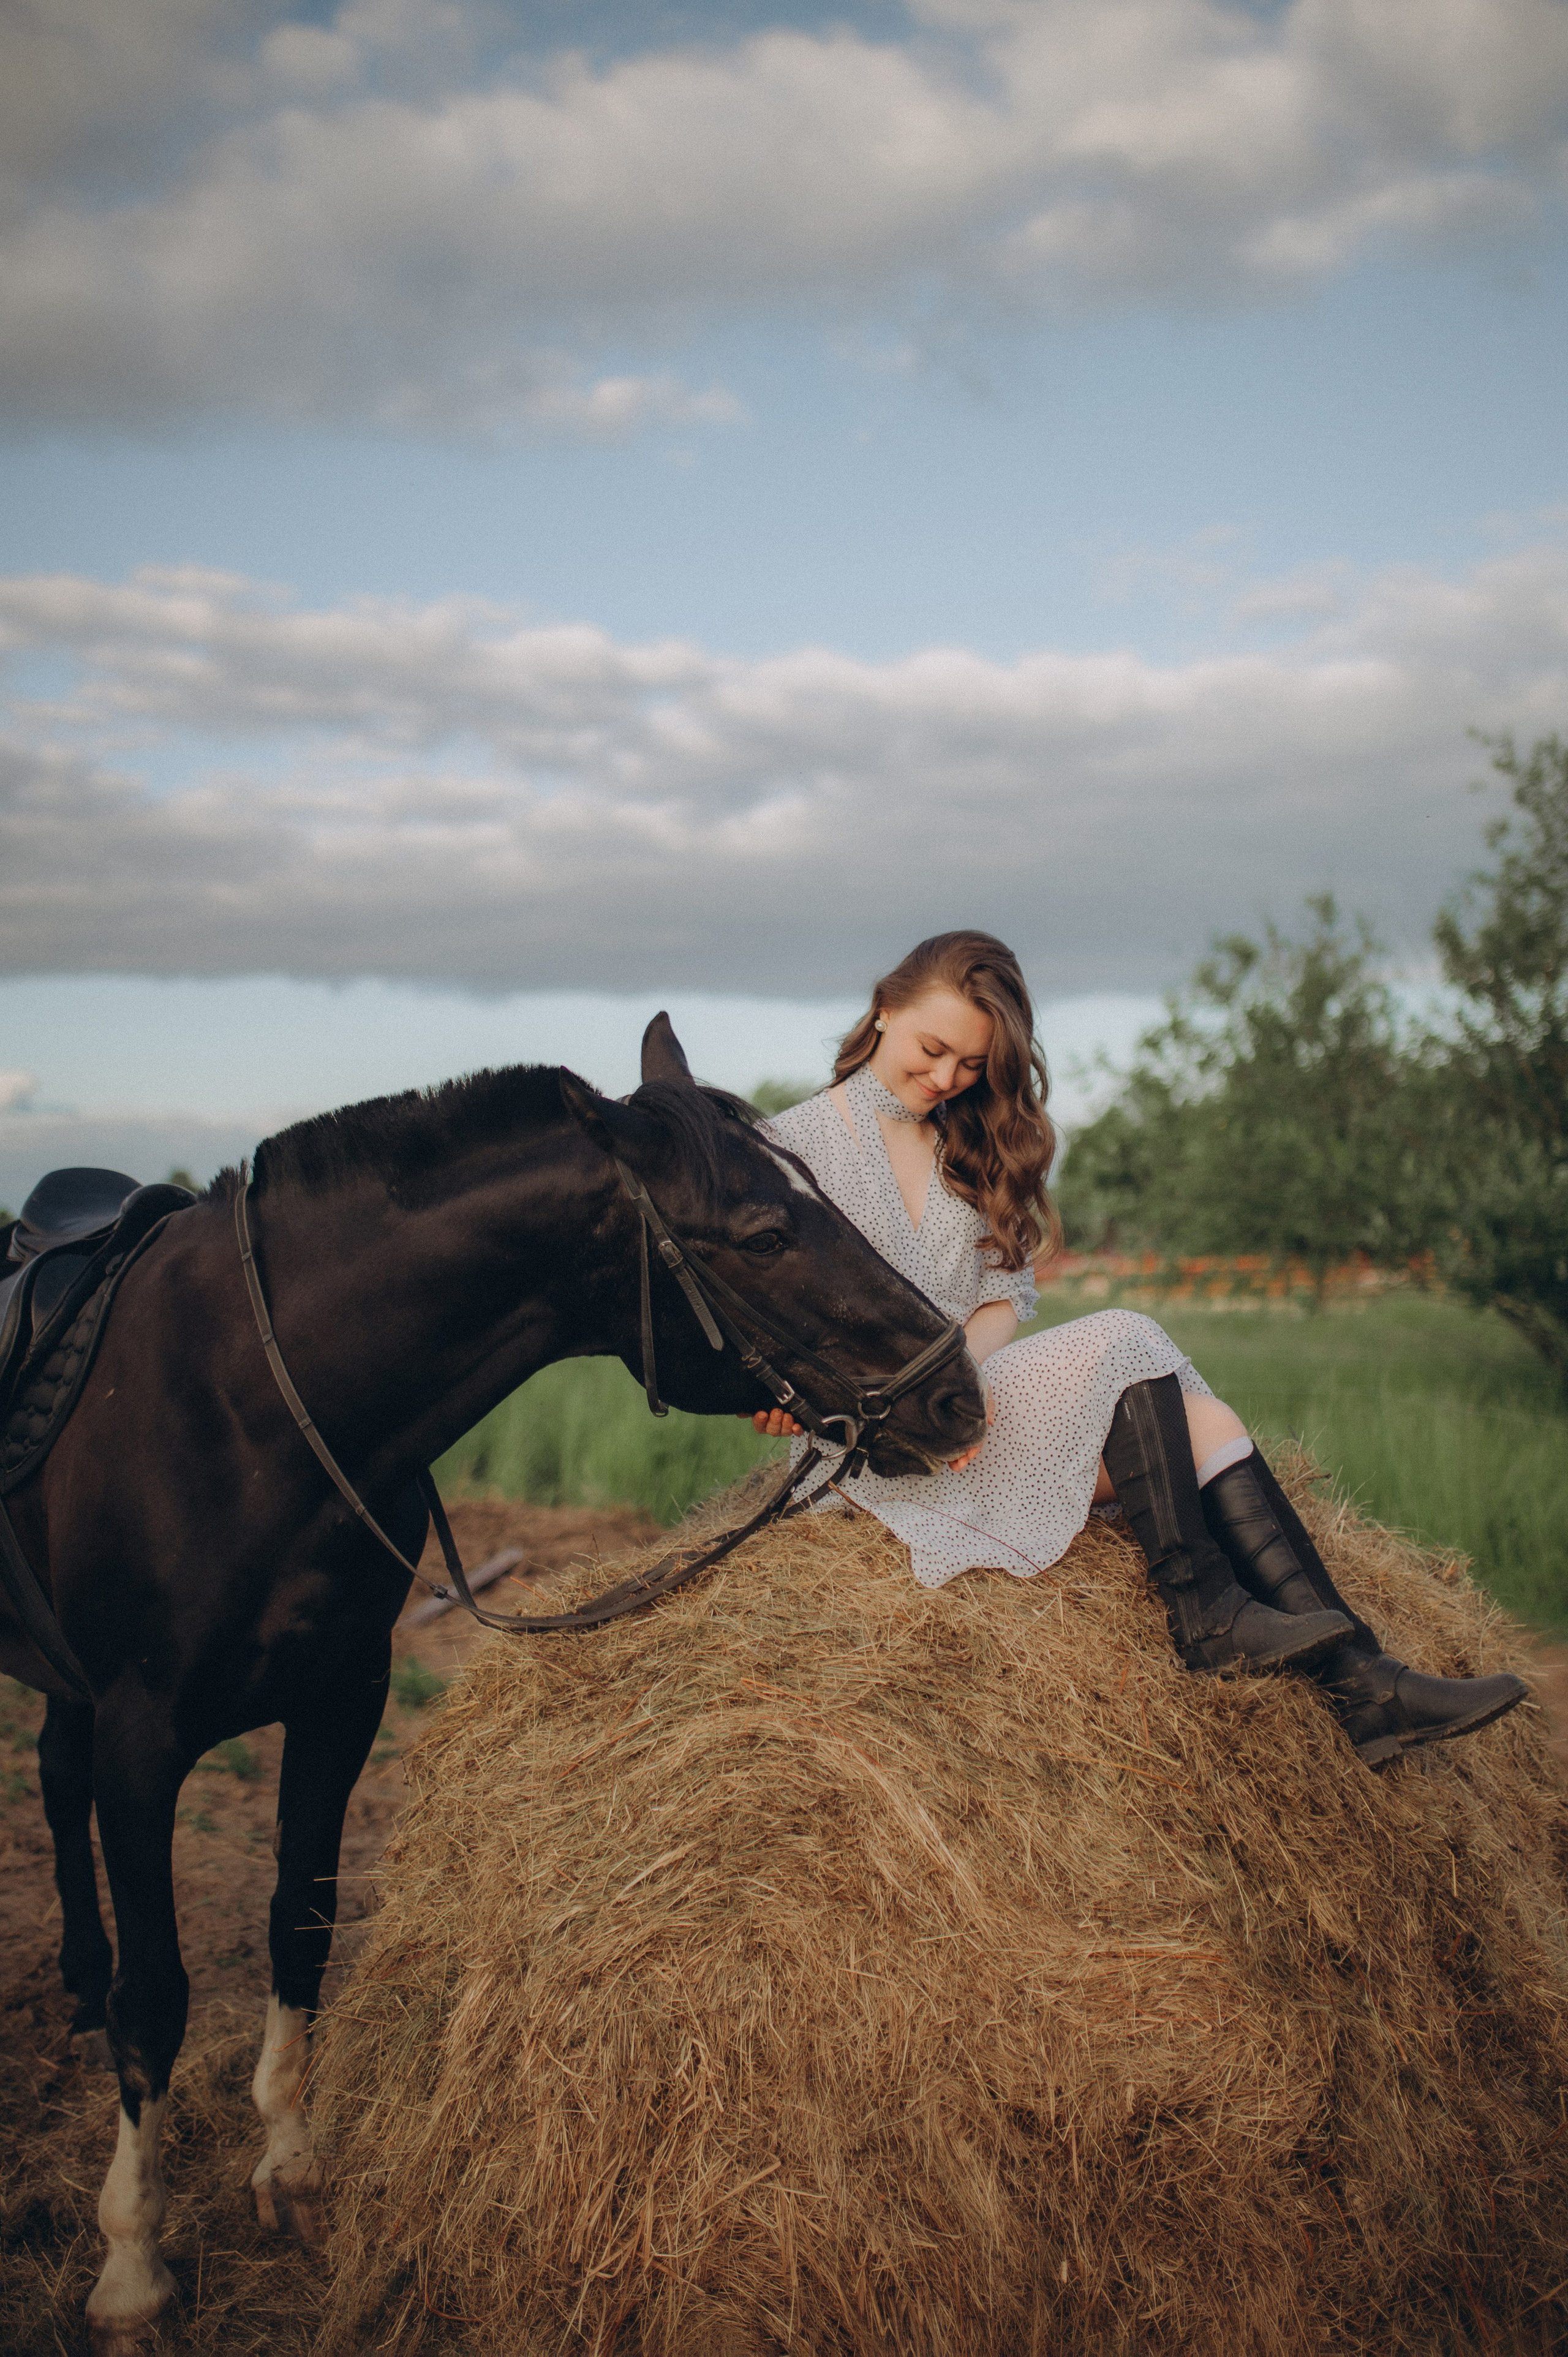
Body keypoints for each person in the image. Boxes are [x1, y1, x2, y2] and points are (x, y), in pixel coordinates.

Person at [752, 929, 1525, 1768]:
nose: (946, 1079)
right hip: (875, 1452)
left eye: (971, 1066)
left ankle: (1362, 1682)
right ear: (883, 1009)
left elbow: (1002, 1299)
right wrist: (790, 1388)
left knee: (1202, 1418)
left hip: (963, 1413)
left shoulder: (963, 1148)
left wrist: (962, 1384)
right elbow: (766, 1319)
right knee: (1128, 1336)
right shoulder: (787, 1150)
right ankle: (1212, 1620)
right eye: (933, 1049)